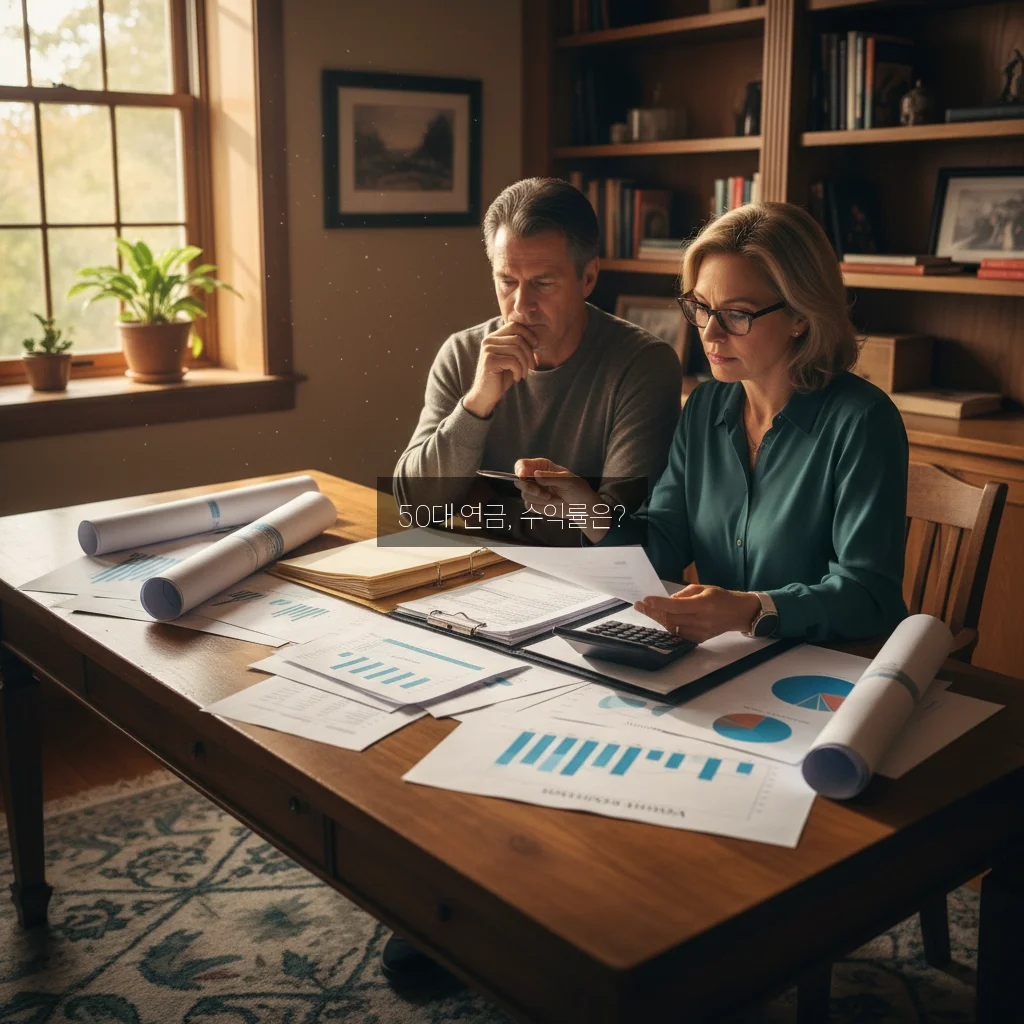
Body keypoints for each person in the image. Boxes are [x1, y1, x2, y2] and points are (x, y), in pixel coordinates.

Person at [516, 201, 909, 643]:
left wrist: (750, 609)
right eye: (701, 307)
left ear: (801, 315)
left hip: (824, 672)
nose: (709, 333)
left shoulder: (863, 423)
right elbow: (664, 545)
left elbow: (869, 597)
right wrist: (586, 509)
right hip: (724, 662)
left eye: (736, 314)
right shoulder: (705, 406)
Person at [393, 176, 682, 544]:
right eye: (507, 281)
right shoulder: (462, 354)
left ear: (588, 277)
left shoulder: (643, 366)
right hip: (478, 575)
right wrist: (477, 404)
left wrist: (476, 503)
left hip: (586, 587)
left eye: (543, 284)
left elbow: (621, 534)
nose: (521, 306)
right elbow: (415, 506)